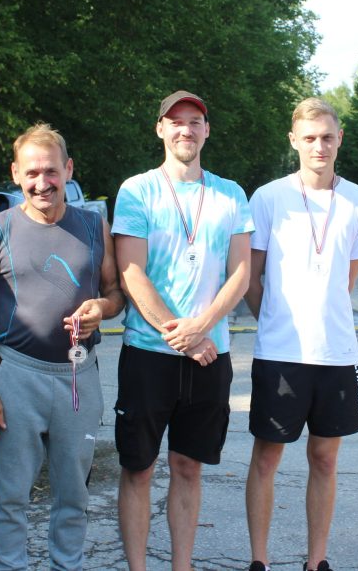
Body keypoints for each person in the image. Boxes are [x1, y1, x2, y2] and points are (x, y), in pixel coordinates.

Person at [0, 123, 124, 571]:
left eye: (51, 171)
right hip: (18, 375)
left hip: (79, 375)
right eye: (32, 173)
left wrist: (102, 307)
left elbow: (115, 294)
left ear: (68, 170)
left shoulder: (94, 227)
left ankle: (66, 565)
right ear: (16, 173)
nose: (42, 182)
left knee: (74, 494)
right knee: (11, 494)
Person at [111, 90, 253, 571]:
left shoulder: (231, 194)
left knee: (188, 467)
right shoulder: (137, 190)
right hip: (148, 354)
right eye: (176, 121)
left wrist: (202, 328)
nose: (185, 129)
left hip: (211, 353)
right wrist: (183, 336)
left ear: (207, 131)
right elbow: (131, 272)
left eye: (195, 121)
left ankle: (182, 565)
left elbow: (241, 273)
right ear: (160, 129)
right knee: (138, 468)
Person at [242, 97, 358, 571]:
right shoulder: (268, 197)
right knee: (266, 459)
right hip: (281, 353)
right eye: (309, 138)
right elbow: (251, 278)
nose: (319, 146)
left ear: (340, 139)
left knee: (325, 460)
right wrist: (274, 320)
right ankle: (259, 561)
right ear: (294, 141)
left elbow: (347, 281)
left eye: (327, 137)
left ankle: (316, 561)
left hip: (336, 354)